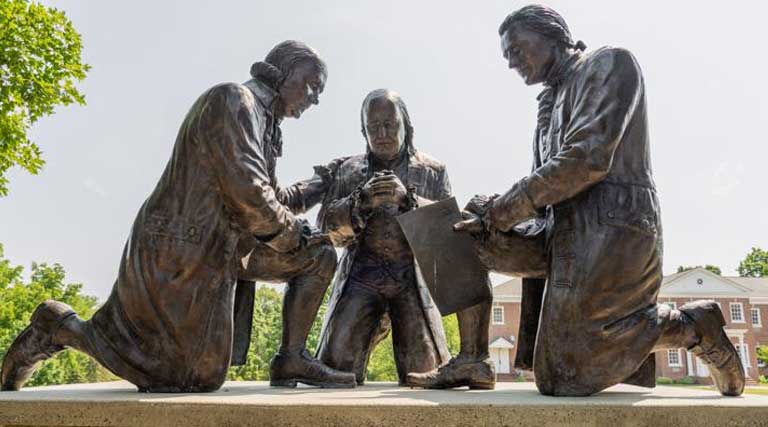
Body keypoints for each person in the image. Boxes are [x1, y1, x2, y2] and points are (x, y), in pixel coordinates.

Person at [409, 5, 745, 397]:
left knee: (560, 377)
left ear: (553, 35)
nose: (513, 63)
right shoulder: (548, 104)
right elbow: (543, 189)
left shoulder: (610, 64)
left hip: (611, 230)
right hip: (557, 231)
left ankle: (692, 325)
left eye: (517, 49)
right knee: (449, 231)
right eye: (506, 57)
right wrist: (489, 216)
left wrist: (503, 210)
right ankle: (473, 358)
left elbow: (587, 157)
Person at [1, 40, 355, 392]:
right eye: (311, 85)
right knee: (186, 375)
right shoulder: (232, 101)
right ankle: (60, 326)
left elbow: (272, 199)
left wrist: (320, 183)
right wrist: (299, 234)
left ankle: (291, 358)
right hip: (182, 247)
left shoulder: (266, 123)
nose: (315, 98)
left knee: (318, 256)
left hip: (225, 248)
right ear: (283, 73)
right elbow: (251, 197)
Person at [312, 89, 452, 385]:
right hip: (361, 277)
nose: (382, 133)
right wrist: (358, 203)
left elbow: (450, 235)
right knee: (336, 372)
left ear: (406, 126)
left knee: (424, 373)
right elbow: (324, 227)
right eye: (373, 127)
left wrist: (409, 202)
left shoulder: (433, 171)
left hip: (410, 280)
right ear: (363, 130)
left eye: (390, 124)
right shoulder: (348, 170)